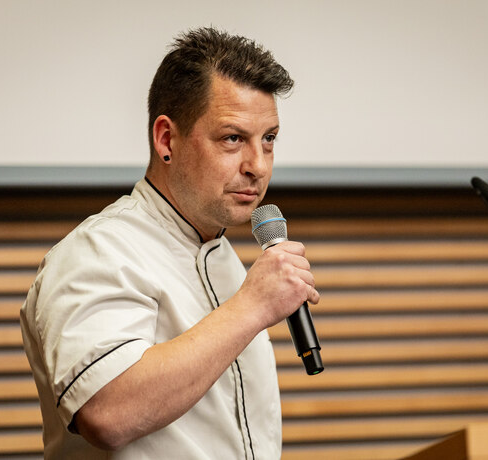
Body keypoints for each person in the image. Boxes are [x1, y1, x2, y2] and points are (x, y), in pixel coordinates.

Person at [20, 27, 319, 459]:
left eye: (268, 139)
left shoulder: (231, 261)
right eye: (233, 138)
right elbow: (106, 411)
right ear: (166, 140)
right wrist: (252, 307)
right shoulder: (98, 250)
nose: (258, 165)